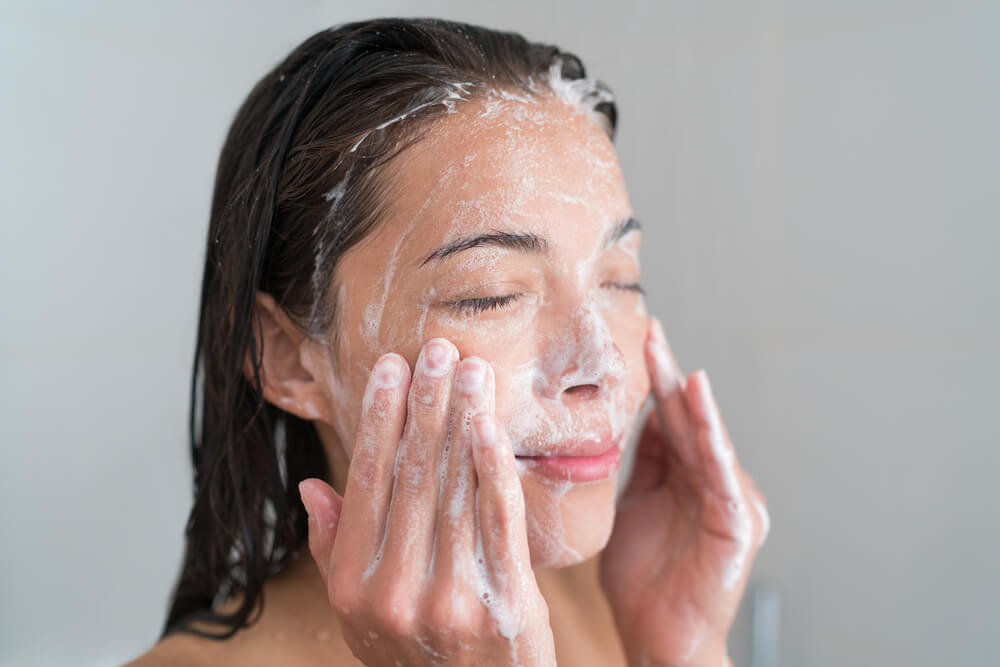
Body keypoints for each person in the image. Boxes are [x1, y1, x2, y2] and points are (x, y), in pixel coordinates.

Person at [129, 16, 769, 666]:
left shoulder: (612, 602)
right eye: (492, 294)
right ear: (290, 357)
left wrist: (684, 651)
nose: (601, 364)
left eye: (620, 279)